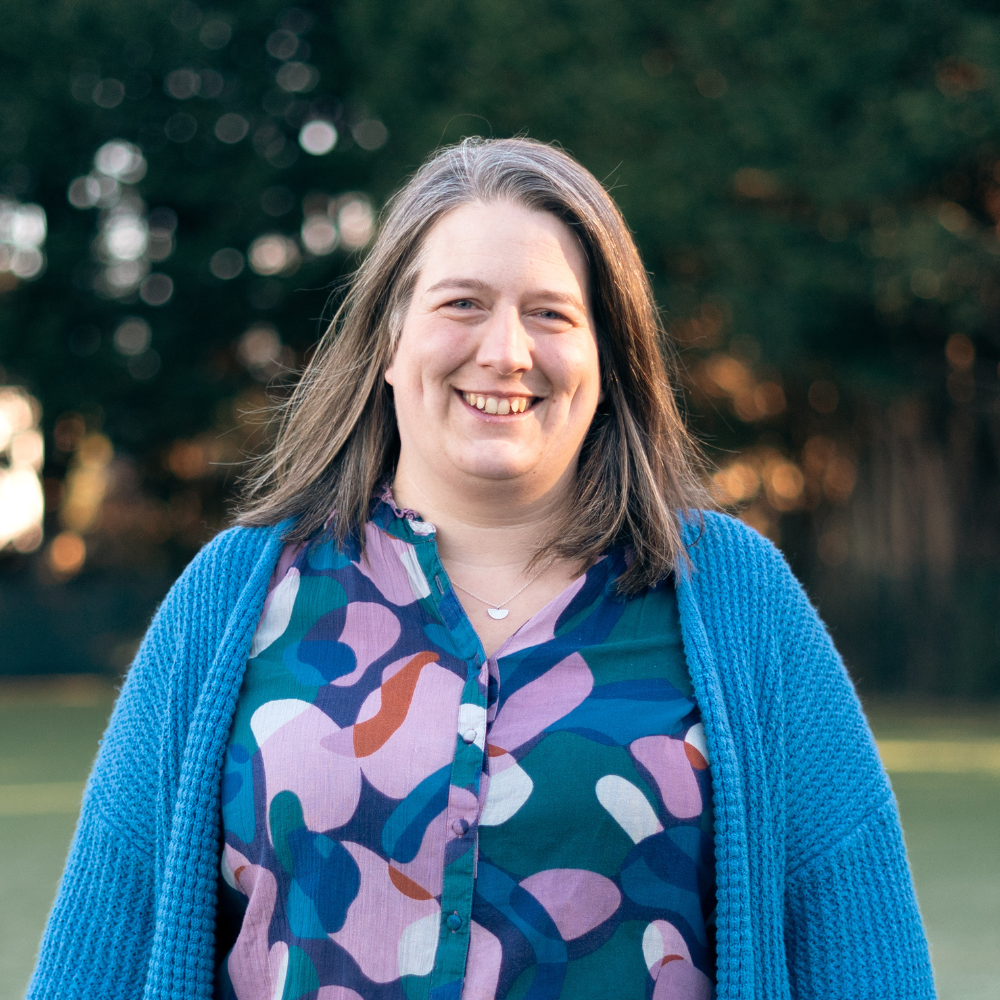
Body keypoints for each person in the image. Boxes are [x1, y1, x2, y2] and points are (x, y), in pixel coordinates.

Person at [27, 137, 935, 1000]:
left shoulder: (738, 605)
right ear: (388, 340)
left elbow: (867, 961)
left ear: (608, 359)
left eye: (550, 313)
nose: (505, 351)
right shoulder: (234, 597)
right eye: (462, 304)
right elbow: (101, 950)